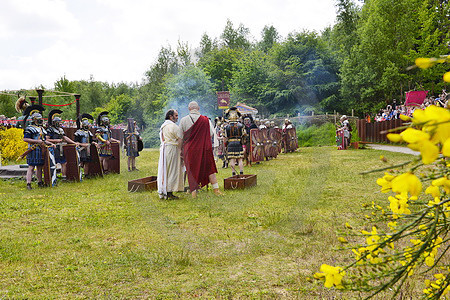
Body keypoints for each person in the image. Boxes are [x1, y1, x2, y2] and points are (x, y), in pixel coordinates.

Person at [180, 101, 222, 198]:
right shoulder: (205, 119)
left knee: (191, 170)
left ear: (189, 109)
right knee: (209, 168)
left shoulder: (183, 120)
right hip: (203, 148)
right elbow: (211, 133)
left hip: (189, 149)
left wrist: (180, 150)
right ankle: (216, 189)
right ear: (198, 108)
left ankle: (194, 193)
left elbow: (181, 137)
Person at [22, 105, 55, 189]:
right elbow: (25, 139)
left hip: (41, 150)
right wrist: (37, 141)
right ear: (35, 119)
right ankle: (28, 184)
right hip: (33, 149)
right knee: (31, 167)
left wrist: (51, 144)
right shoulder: (30, 128)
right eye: (39, 118)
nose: (41, 120)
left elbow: (43, 140)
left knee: (40, 167)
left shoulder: (42, 129)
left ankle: (40, 182)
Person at [157, 109, 184, 199]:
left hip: (166, 149)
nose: (177, 117)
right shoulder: (173, 126)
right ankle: (169, 192)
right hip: (172, 149)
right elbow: (180, 138)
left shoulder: (164, 126)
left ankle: (166, 190)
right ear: (170, 116)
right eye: (176, 116)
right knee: (172, 170)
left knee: (166, 169)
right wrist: (180, 149)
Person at [46, 109, 77, 178]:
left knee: (64, 163)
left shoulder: (61, 130)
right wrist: (55, 140)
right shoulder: (50, 129)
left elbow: (65, 138)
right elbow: (46, 139)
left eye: (60, 122)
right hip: (53, 147)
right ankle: (53, 178)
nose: (60, 123)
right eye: (58, 122)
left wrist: (74, 143)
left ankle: (64, 176)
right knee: (53, 163)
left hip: (61, 148)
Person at [224, 107, 246, 176]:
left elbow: (225, 137)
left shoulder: (226, 127)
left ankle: (233, 173)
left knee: (232, 159)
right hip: (238, 143)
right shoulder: (241, 125)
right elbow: (244, 135)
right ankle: (241, 172)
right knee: (240, 159)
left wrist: (225, 146)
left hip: (230, 143)